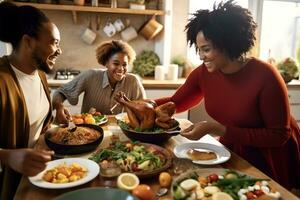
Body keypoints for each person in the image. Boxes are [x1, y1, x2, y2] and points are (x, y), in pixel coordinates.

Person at [155, 0, 300, 190]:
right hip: (232, 149)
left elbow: (279, 135)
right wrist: (145, 104)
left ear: (228, 43)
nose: (201, 56)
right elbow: (176, 103)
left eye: (206, 49)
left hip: (271, 157)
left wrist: (218, 129)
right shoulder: (204, 73)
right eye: (198, 49)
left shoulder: (266, 76)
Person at [0, 2, 62, 199]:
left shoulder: (40, 75)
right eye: (54, 42)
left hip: (33, 177)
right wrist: (7, 156)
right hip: (7, 186)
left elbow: (37, 125)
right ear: (28, 42)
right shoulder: (2, 79)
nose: (59, 50)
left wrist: (56, 129)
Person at [53, 40, 146, 124]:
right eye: (116, 64)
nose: (121, 69)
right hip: (89, 131)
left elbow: (144, 109)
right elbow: (60, 92)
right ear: (106, 63)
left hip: (119, 130)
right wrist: (59, 108)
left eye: (124, 65)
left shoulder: (133, 81)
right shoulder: (91, 76)